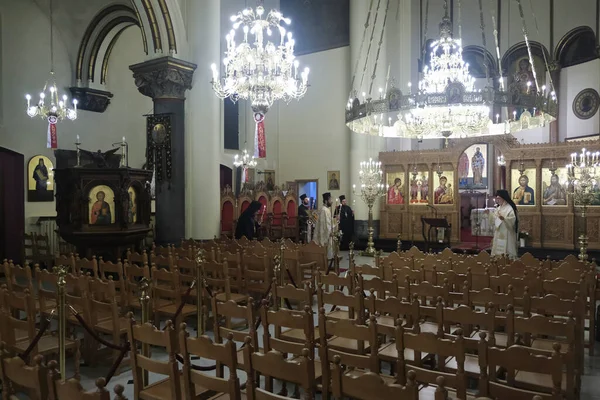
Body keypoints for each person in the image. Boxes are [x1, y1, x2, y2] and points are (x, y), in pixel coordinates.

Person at [489, 189, 518, 259]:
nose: (497, 200)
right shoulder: (499, 208)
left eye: (499, 198)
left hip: (507, 232)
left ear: (503, 198)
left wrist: (504, 219)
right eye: (497, 198)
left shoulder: (510, 208)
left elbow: (512, 220)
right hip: (499, 231)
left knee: (507, 251)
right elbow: (494, 218)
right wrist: (489, 214)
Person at [314, 192, 334, 259]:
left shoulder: (325, 209)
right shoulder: (324, 210)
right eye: (330, 200)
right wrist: (331, 230)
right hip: (324, 234)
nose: (332, 201)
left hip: (324, 232)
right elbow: (325, 224)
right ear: (326, 201)